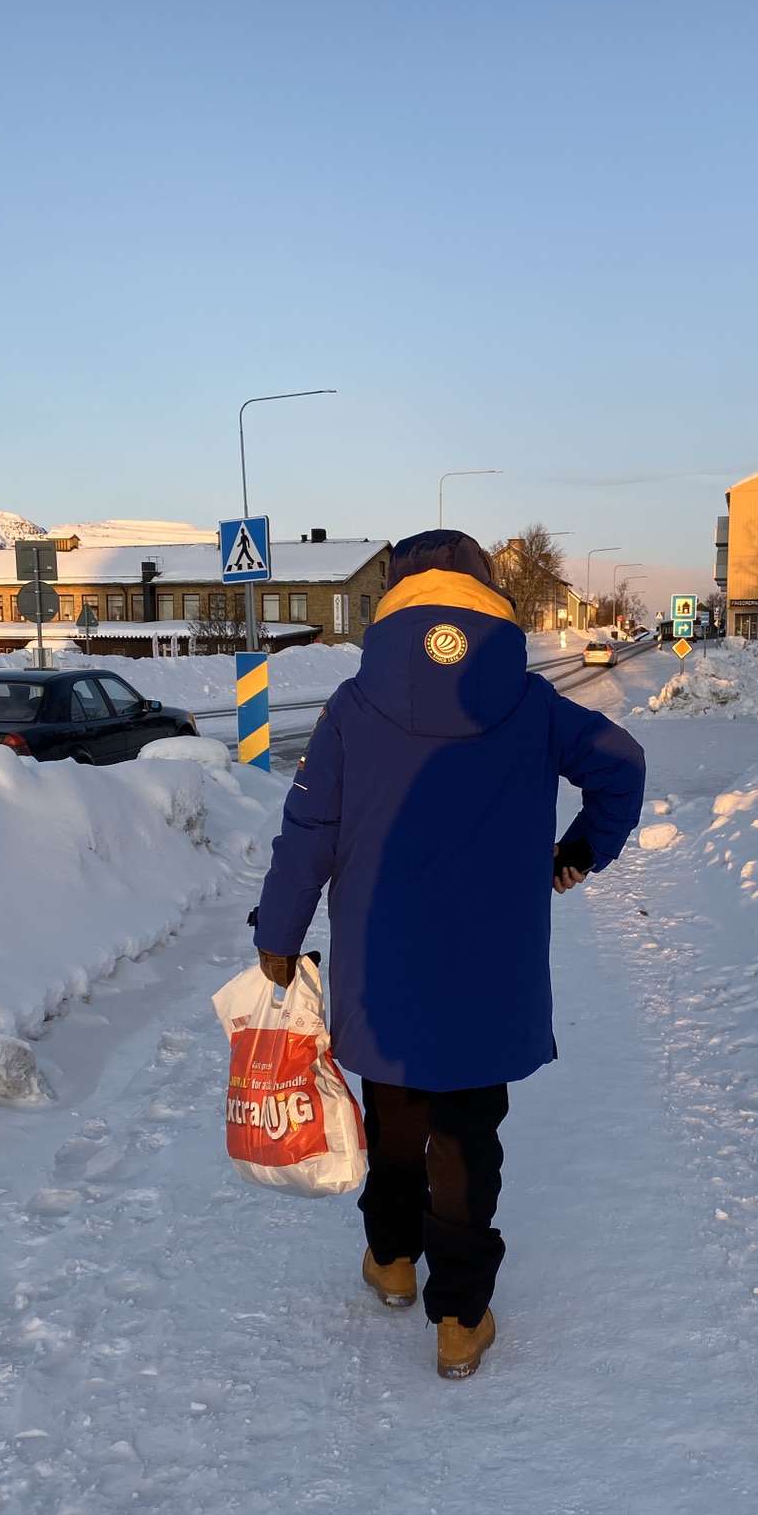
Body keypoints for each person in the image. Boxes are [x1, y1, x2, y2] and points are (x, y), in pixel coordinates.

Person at [252, 529, 645, 1379]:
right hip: (489, 970)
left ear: (395, 597)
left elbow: (309, 829)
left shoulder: (353, 708)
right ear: (486, 594)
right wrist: (575, 852)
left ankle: (393, 1260)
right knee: (466, 1135)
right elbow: (621, 765)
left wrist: (279, 937)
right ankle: (461, 1317)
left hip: (382, 967)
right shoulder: (533, 702)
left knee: (395, 1115)